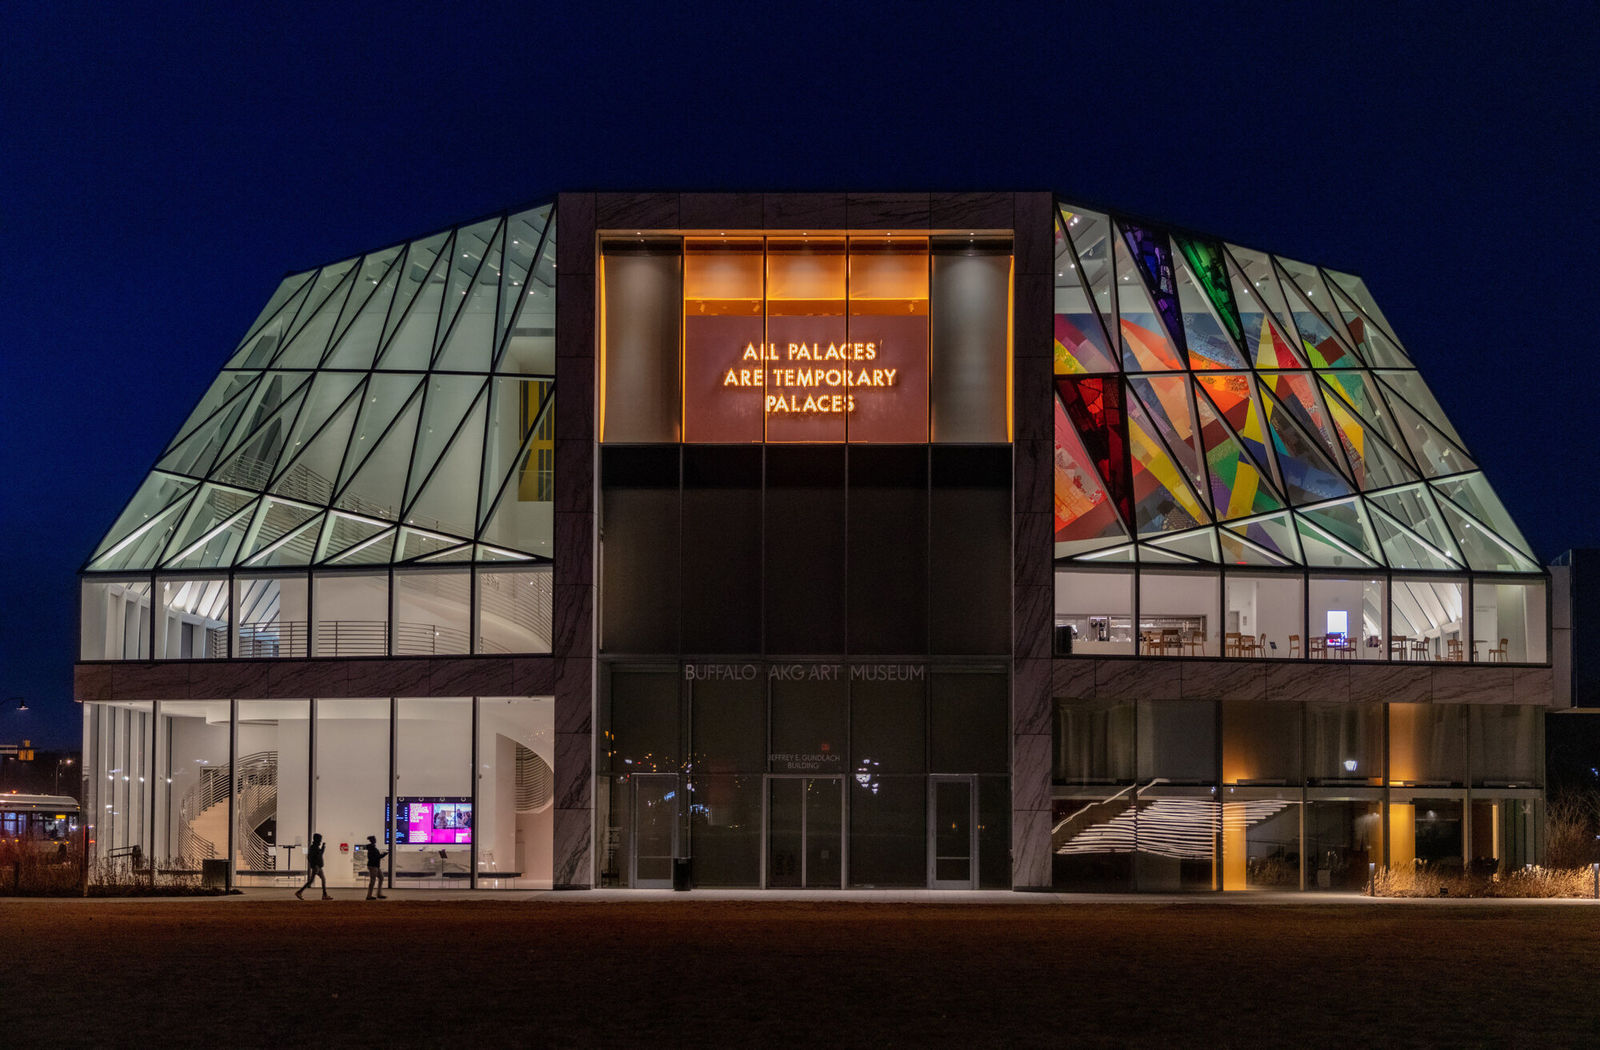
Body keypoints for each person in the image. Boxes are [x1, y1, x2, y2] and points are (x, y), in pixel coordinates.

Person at [295, 833, 331, 900]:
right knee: (314, 880)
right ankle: (299, 892)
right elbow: (311, 857)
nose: (320, 841)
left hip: (318, 867)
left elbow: (320, 854)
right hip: (316, 867)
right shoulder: (313, 848)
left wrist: (323, 847)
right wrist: (314, 866)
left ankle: (324, 895)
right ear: (317, 840)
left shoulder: (316, 847)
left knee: (317, 880)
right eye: (320, 840)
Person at [364, 835, 388, 900]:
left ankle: (378, 894)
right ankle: (369, 896)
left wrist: (382, 855)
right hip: (373, 866)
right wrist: (383, 854)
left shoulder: (372, 848)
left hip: (375, 866)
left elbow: (376, 856)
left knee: (381, 877)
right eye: (374, 839)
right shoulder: (372, 848)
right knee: (373, 881)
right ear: (372, 840)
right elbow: (376, 857)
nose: (375, 840)